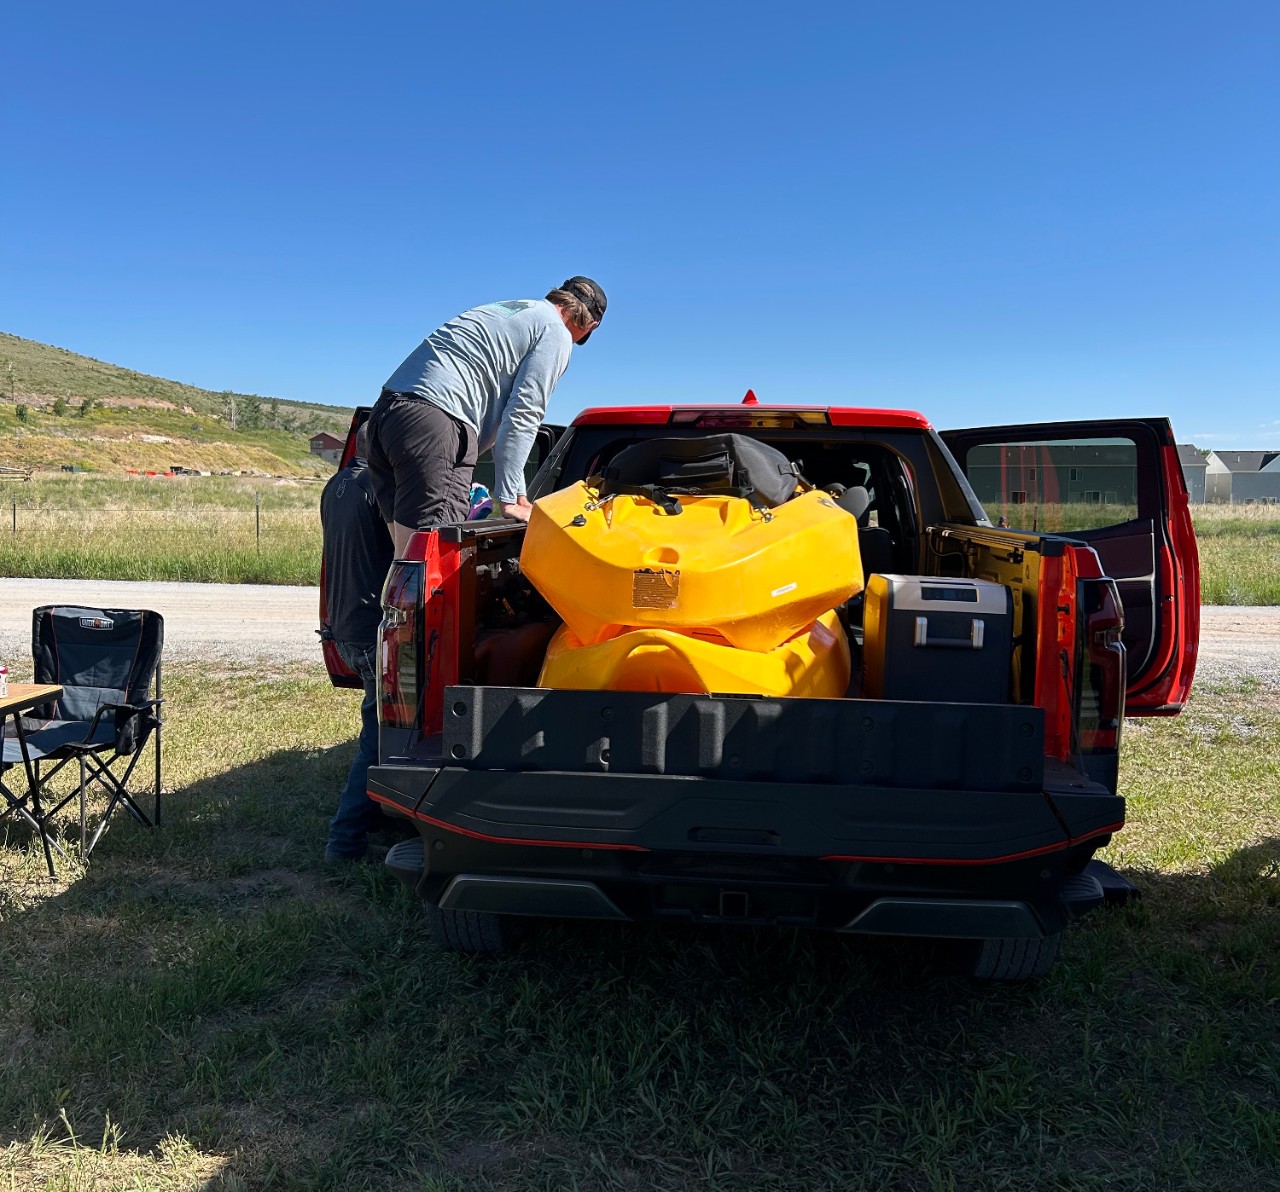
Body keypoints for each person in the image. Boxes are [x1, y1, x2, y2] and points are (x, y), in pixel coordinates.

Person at [367, 276, 606, 553]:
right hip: (436, 421)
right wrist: (508, 500)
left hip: (387, 414)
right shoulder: (557, 332)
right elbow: (523, 415)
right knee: (434, 562)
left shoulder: (515, 310)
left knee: (408, 560)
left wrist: (517, 492)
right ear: (590, 325)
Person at [321, 423, 394, 863]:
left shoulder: (336, 486)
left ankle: (381, 816)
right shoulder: (377, 487)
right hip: (372, 630)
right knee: (379, 737)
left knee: (384, 731)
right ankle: (344, 843)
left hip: (344, 627)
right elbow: (409, 552)